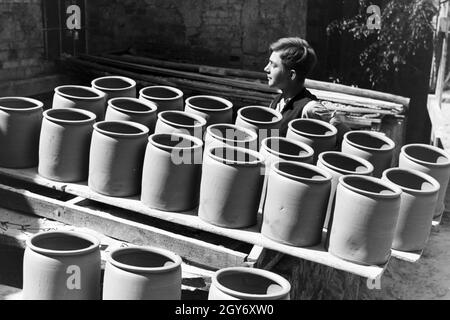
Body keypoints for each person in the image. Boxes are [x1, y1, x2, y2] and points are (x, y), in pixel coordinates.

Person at [264, 37, 350, 142]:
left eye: (273, 65)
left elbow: (347, 138)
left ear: (291, 75)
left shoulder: (310, 108)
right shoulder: (276, 102)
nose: (266, 69)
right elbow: (272, 142)